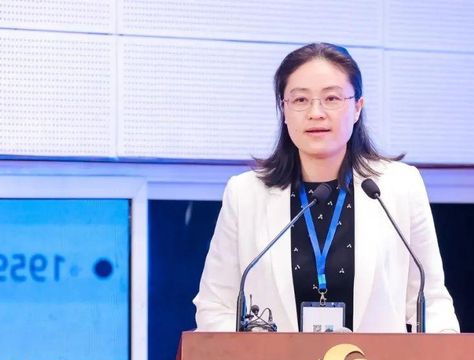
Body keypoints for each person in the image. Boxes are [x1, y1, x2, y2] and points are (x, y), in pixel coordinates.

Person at [194, 43, 459, 333]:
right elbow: (215, 306)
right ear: (284, 110)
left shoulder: (399, 186)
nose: (316, 112)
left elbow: (431, 302)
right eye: (300, 100)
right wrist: (258, 354)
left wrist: (446, 353)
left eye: (332, 98)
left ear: (357, 108)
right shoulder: (245, 194)